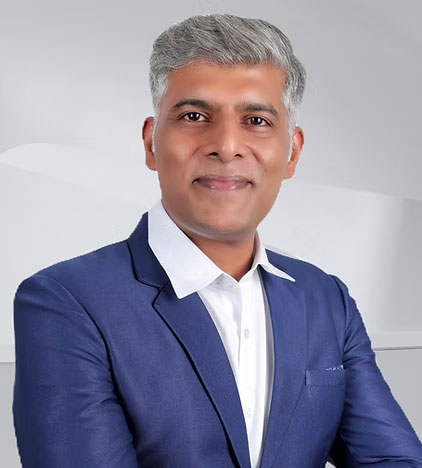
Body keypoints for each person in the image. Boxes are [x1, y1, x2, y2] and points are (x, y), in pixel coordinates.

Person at [13, 13, 422, 468]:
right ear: (151, 143)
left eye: (256, 120)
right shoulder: (67, 301)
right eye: (194, 116)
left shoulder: (325, 299)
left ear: (292, 152)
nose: (226, 146)